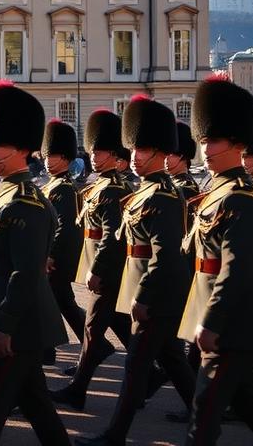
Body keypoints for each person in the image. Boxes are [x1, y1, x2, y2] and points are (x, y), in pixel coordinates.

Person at [76, 95, 194, 445]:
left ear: (160, 151)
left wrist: (142, 298)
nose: (135, 155)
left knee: (136, 367)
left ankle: (116, 435)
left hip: (159, 296)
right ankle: (206, 419)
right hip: (148, 292)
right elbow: (118, 239)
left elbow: (164, 257)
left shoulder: (165, 197)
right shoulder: (144, 192)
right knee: (171, 359)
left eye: (142, 149)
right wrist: (99, 269)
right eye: (135, 148)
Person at [0, 80, 70, 445]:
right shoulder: (10, 196)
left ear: (24, 149)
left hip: (19, 323)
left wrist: (4, 325)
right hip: (11, 317)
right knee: (37, 405)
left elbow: (26, 273)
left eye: (0, 145)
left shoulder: (27, 203)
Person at [180, 74, 253, 444]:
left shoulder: (239, 197)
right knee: (246, 404)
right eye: (204, 139)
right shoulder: (219, 191)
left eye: (214, 139)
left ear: (237, 143)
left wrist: (210, 321)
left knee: (204, 414)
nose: (206, 148)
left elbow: (236, 268)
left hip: (232, 324)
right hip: (226, 319)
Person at [52, 109, 133, 408]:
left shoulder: (113, 189)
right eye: (94, 150)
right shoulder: (100, 185)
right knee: (114, 326)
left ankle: (78, 389)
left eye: (101, 152)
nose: (95, 156)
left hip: (109, 271)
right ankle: (146, 374)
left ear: (115, 156)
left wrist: (96, 268)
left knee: (93, 326)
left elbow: (111, 235)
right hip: (105, 269)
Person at [41, 119, 86, 346]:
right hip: (50, 256)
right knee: (61, 302)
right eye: (47, 156)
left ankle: (94, 344)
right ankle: (94, 344)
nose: (48, 161)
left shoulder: (64, 189)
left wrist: (51, 255)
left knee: (59, 302)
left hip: (57, 258)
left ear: (66, 159)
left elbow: (64, 226)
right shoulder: (52, 186)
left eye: (54, 156)